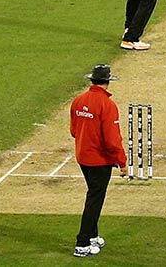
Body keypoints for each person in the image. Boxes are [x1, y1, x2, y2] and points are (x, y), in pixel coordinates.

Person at [70, 64, 128, 257]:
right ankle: (82, 243)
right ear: (107, 82)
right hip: (99, 160)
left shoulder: (78, 100)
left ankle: (93, 237)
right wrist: (122, 162)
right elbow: (112, 139)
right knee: (95, 200)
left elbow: (73, 131)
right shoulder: (107, 105)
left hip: (82, 157)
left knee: (93, 195)